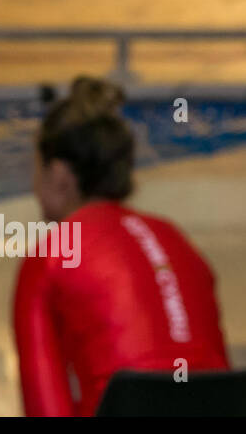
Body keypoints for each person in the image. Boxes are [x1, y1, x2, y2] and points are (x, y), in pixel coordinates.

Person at [13, 76, 230, 416]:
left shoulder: (53, 253)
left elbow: (44, 408)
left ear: (59, 175)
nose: (33, 184)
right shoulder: (176, 239)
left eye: (35, 168)